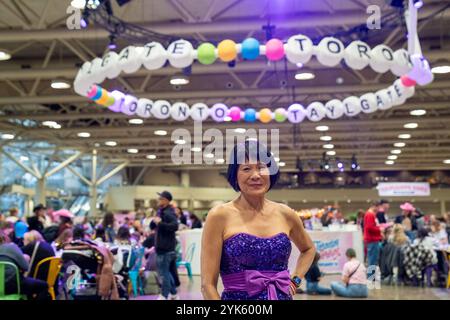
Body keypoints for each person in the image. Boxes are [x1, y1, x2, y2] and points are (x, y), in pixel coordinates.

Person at [201, 140, 315, 300]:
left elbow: (309, 249)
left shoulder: (286, 213)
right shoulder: (219, 216)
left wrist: (295, 280)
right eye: (246, 169)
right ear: (235, 175)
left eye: (261, 167)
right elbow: (207, 285)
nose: (255, 175)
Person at [0, 229, 49, 300]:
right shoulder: (11, 247)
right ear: (4, 237)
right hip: (13, 286)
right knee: (43, 286)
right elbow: (26, 267)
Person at [150, 190, 179, 300]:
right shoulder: (161, 212)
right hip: (163, 248)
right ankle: (174, 294)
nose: (158, 200)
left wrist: (160, 223)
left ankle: (164, 295)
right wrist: (155, 222)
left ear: (166, 200)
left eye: (161, 198)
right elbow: (153, 227)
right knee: (167, 273)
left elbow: (175, 226)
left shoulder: (169, 213)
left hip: (166, 249)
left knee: (164, 274)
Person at [363, 202, 382, 277]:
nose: (378, 210)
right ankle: (371, 277)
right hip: (372, 240)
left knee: (372, 259)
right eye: (378, 208)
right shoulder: (370, 214)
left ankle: (371, 276)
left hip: (372, 239)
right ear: (375, 206)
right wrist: (380, 229)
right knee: (372, 259)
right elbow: (369, 227)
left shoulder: (370, 214)